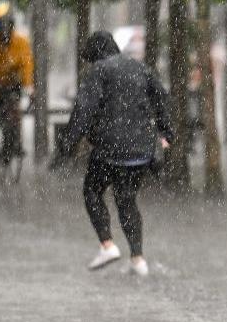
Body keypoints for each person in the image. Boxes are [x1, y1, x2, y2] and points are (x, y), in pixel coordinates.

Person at [56, 31, 173, 277]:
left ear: (95, 54)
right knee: (126, 199)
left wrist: (66, 145)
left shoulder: (99, 71)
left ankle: (107, 245)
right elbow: (162, 98)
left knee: (92, 191)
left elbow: (83, 110)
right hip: (141, 150)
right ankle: (138, 259)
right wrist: (166, 134)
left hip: (110, 148)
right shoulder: (140, 67)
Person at [0, 15, 34, 159]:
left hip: (14, 82)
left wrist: (29, 87)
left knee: (15, 109)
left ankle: (18, 142)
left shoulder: (21, 42)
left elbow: (27, 65)